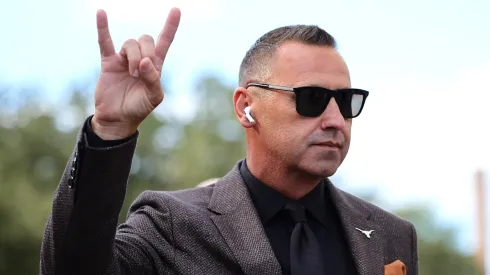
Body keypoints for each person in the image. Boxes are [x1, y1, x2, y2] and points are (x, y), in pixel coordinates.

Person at [40, 7, 418, 275]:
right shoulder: (173, 225)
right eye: (312, 99)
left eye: (347, 102)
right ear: (246, 106)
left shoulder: (391, 235)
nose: (336, 119)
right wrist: (111, 130)